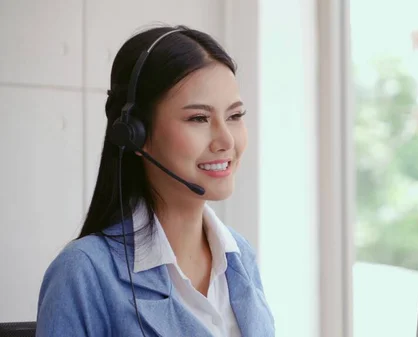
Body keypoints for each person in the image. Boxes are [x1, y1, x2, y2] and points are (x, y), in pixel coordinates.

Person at [35, 25, 274, 337]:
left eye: (235, 116)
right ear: (136, 134)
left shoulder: (240, 257)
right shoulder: (83, 272)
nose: (226, 139)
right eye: (198, 118)